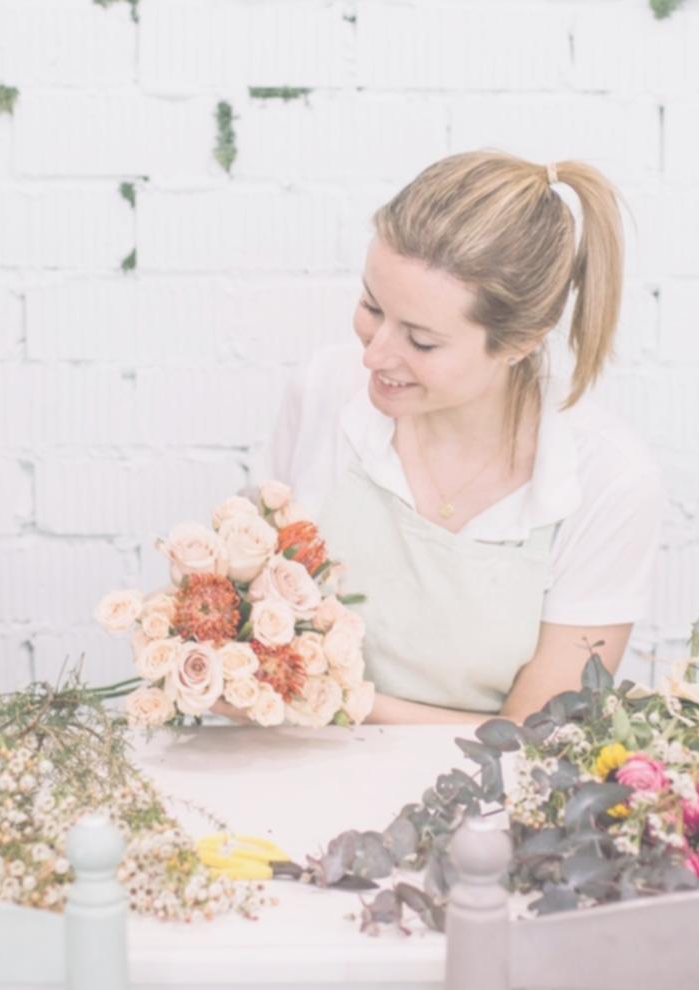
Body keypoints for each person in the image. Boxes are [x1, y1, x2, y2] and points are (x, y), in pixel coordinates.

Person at [270, 151, 662, 723]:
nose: (375, 353)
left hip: (483, 805)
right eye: (371, 307)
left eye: (422, 342)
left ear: (520, 342)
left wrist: (333, 703)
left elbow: (536, 742)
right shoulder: (324, 392)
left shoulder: (610, 483)